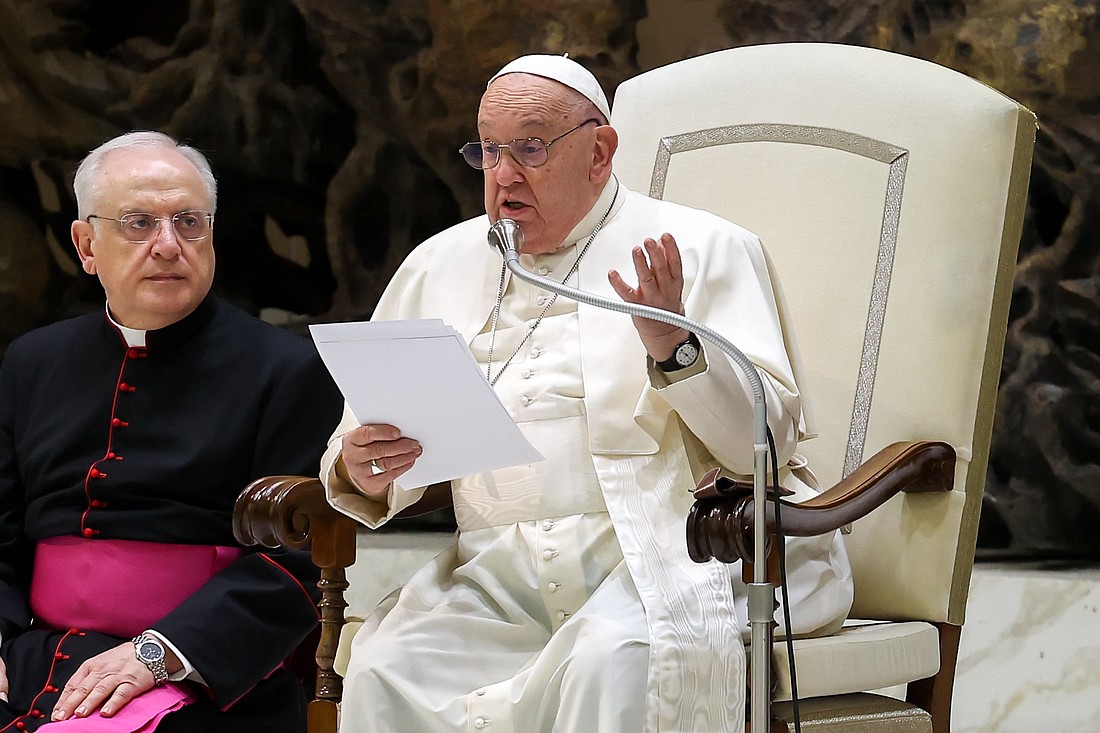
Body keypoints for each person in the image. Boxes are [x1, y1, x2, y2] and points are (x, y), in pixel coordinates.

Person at [321, 55, 854, 732]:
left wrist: (674, 347)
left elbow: (768, 447)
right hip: (494, 582)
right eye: (488, 151)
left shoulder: (704, 246)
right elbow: (355, 452)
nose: (504, 175)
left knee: (617, 657)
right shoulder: (436, 265)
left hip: (666, 560)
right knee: (389, 665)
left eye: (531, 148)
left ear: (599, 151)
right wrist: (360, 467)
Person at [0, 131, 344, 733]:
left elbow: (301, 562)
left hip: (202, 670)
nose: (168, 245)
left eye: (189, 222)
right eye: (138, 223)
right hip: (37, 657)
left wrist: (161, 654)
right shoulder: (31, 361)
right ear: (86, 244)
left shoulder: (287, 369)